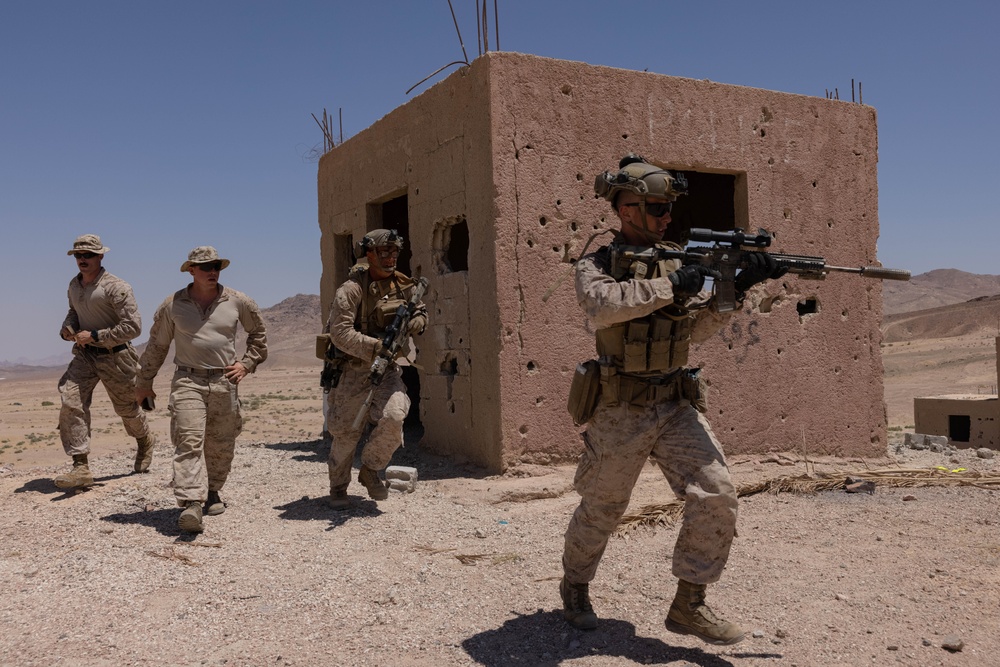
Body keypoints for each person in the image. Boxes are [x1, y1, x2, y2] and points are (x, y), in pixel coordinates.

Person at [559, 155, 786, 644]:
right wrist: (672, 284)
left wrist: (734, 290)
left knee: (718, 492)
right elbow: (601, 308)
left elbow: (696, 332)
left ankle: (689, 604)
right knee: (603, 507)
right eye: (658, 209)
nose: (667, 218)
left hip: (675, 403)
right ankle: (575, 586)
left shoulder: (675, 256)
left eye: (667, 210)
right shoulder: (597, 262)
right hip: (620, 406)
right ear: (626, 208)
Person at [136, 246, 267, 533]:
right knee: (188, 439)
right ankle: (191, 503)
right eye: (205, 267)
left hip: (225, 382)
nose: (212, 271)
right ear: (191, 270)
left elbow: (259, 335)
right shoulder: (172, 305)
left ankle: (214, 492)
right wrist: (144, 382)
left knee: (221, 444)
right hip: (188, 381)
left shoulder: (238, 301)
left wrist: (247, 364)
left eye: (216, 266)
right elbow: (158, 346)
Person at [323, 229, 426, 509]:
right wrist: (376, 346)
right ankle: (338, 486)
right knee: (347, 432)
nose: (391, 258)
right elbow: (340, 333)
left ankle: (370, 470)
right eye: (385, 252)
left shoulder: (403, 284)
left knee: (394, 416)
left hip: (387, 369)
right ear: (369, 254)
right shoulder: (351, 289)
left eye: (395, 252)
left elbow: (419, 309)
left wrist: (418, 321)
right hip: (352, 370)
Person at [54, 234, 156, 490]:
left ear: (101, 256)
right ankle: (80, 466)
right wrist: (68, 329)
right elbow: (73, 313)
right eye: (78, 255)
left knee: (126, 410)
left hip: (117, 356)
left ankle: (144, 440)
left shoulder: (116, 287)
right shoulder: (74, 285)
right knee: (70, 400)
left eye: (88, 255)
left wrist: (98, 335)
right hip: (85, 356)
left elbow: (133, 327)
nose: (82, 259)